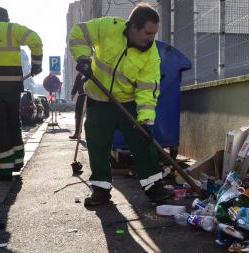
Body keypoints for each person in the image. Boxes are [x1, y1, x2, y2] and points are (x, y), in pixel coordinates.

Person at [68, 3, 173, 206]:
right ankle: (101, 189)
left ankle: (153, 187)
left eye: (154, 33)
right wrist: (82, 57)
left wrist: (145, 122)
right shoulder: (108, 27)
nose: (152, 38)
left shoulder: (151, 56)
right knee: (98, 146)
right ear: (133, 27)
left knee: (143, 141)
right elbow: (78, 32)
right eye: (148, 33)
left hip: (128, 102)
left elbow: (147, 90)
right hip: (98, 100)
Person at [0, 7, 43, 180]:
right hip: (13, 87)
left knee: (0, 127)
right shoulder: (12, 29)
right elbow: (35, 39)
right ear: (6, 18)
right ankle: (17, 162)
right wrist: (36, 63)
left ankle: (5, 170)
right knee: (13, 123)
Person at [69, 73, 86, 140]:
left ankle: (91, 135)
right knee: (78, 115)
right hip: (82, 95)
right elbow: (76, 84)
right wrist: (73, 93)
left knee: (92, 116)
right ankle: (77, 133)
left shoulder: (94, 68)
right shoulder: (80, 73)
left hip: (92, 96)